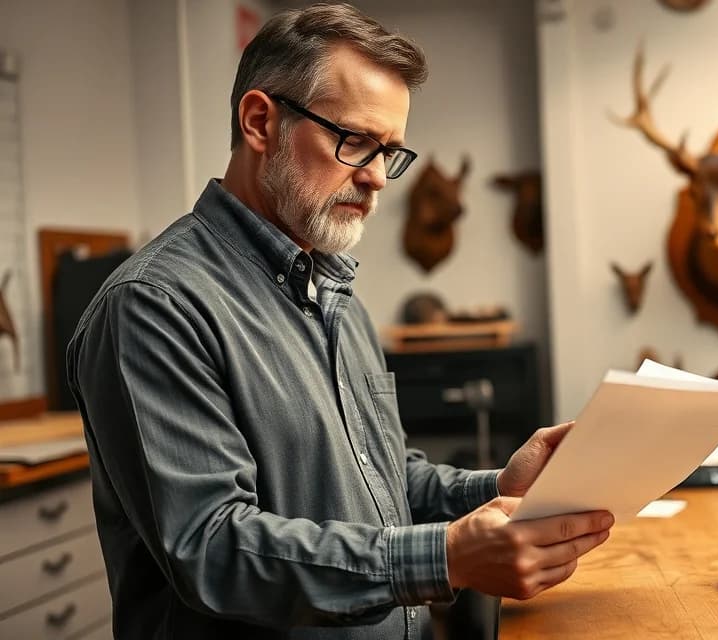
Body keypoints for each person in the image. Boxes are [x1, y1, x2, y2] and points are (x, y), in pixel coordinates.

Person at [66, 4, 613, 639]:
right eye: (355, 141)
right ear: (260, 122)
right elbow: (212, 548)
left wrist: (499, 488)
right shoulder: (154, 306)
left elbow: (381, 480)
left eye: (390, 152)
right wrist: (445, 557)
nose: (378, 178)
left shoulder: (333, 291)